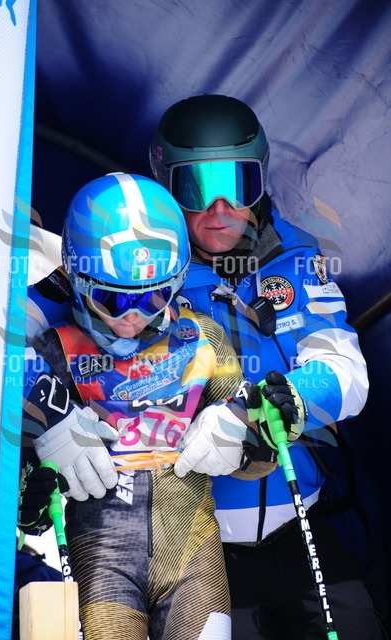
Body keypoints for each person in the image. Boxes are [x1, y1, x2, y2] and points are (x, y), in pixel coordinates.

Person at [25, 96, 387, 639]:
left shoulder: (295, 256)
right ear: (165, 186)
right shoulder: (130, 262)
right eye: (196, 188)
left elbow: (347, 373)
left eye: (239, 184)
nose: (221, 210)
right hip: (198, 544)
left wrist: (259, 410)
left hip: (302, 520)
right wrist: (50, 414)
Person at [20, 172, 249, 640]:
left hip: (193, 554)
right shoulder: (53, 348)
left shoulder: (203, 337)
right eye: (111, 298)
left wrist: (247, 429)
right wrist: (33, 489)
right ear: (74, 278)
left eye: (154, 297)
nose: (132, 317)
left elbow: (258, 445)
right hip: (101, 560)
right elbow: (24, 483)